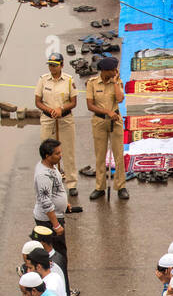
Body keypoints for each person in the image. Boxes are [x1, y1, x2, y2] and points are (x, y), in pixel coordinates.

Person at [35, 53, 78, 200]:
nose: (52, 68)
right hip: (48, 119)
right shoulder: (43, 80)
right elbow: (38, 102)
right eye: (50, 65)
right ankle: (51, 182)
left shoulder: (68, 80)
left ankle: (71, 184)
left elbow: (73, 102)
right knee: (47, 153)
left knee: (68, 151)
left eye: (55, 65)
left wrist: (61, 109)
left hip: (65, 119)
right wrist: (50, 110)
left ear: (61, 65)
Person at [85, 56, 128, 201]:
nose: (116, 71)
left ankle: (121, 186)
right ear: (105, 71)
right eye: (113, 70)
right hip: (99, 121)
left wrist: (115, 82)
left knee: (118, 155)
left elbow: (120, 98)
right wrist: (106, 112)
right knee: (100, 156)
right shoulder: (92, 83)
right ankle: (100, 187)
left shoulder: (116, 81)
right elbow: (90, 105)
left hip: (115, 121)